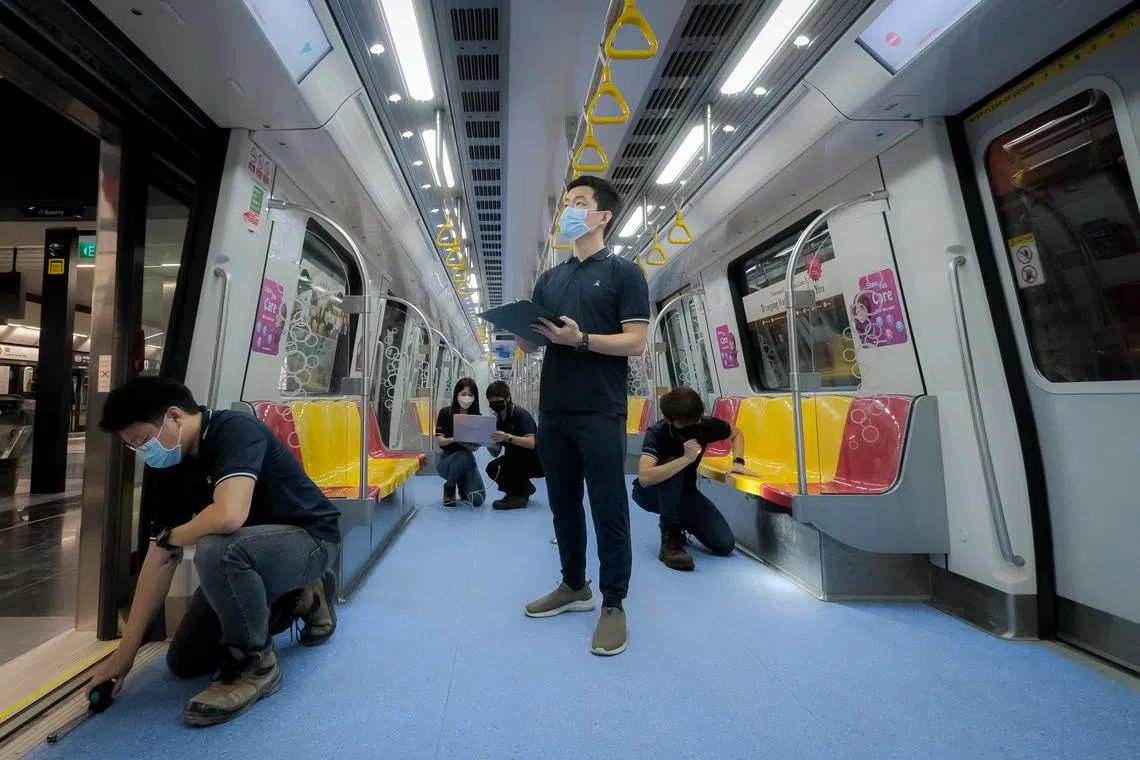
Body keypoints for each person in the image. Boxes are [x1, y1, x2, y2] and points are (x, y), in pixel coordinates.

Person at [86, 376, 341, 727]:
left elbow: (228, 515)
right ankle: (303, 598)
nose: (143, 452)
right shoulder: (168, 466)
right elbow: (160, 555)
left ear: (174, 416)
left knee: (218, 548)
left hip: (310, 540)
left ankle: (257, 666)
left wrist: (175, 535)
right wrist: (125, 654)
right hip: (251, 555)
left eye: (144, 440)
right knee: (185, 661)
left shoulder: (234, 430)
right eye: (134, 447)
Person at [519, 175, 649, 657]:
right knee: (563, 505)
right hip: (553, 406)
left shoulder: (623, 273)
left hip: (600, 406)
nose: (568, 212)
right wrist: (526, 335)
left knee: (608, 506)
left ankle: (614, 602)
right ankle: (574, 584)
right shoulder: (550, 279)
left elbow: (636, 341)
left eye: (578, 204)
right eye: (566, 204)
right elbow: (534, 343)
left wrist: (584, 340)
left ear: (601, 217)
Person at [634, 387, 755, 571]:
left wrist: (738, 461)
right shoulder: (658, 433)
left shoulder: (703, 426)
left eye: (696, 420)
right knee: (672, 464)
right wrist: (686, 459)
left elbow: (736, 433)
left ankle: (683, 521)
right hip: (652, 494)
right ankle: (670, 539)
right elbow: (644, 477)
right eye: (686, 423)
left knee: (724, 544)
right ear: (670, 420)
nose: (693, 425)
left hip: (686, 494)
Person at [484, 380, 543, 510]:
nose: (494, 403)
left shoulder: (521, 415)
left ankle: (519, 497)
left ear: (508, 398)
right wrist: (485, 441)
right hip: (515, 459)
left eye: (497, 399)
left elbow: (531, 443)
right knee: (493, 468)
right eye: (491, 400)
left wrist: (507, 437)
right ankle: (523, 489)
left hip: (535, 460)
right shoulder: (498, 419)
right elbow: (495, 452)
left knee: (514, 459)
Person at [435, 377, 487, 507]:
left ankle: (462, 485)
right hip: (447, 461)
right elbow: (440, 441)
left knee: (477, 499)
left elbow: (475, 449)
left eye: (470, 395)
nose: (466, 398)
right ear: (456, 395)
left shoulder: (477, 417)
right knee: (463, 454)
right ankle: (450, 486)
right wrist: (455, 439)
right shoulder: (445, 413)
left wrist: (477, 443)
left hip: (468, 462)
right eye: (463, 394)